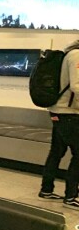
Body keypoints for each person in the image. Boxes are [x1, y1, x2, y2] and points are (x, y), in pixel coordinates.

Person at [38, 40, 79, 209]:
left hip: (59, 111)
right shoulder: (76, 55)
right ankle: (70, 196)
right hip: (68, 113)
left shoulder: (69, 53)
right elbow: (77, 86)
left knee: (57, 151)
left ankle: (46, 189)